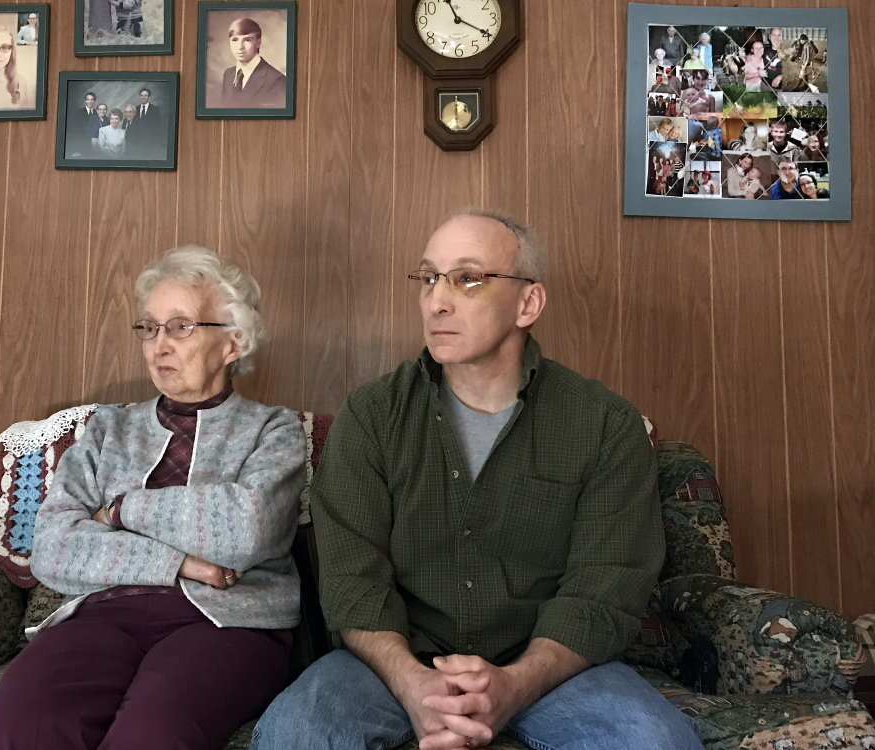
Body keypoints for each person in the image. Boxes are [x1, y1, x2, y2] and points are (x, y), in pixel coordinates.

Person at [251, 209, 703, 750]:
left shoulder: (605, 424)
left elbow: (605, 586)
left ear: (527, 303)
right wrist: (415, 684)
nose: (436, 300)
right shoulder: (372, 415)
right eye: (427, 278)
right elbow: (353, 581)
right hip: (395, 664)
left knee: (653, 740)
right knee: (294, 733)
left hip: (551, 667)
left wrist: (516, 682)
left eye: (468, 278)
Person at [0, 246, 306, 750]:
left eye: (180, 327)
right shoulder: (108, 429)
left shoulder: (274, 428)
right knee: (22, 724)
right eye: (149, 328)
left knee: (151, 736)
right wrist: (181, 564)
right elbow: (54, 549)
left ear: (234, 342)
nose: (158, 346)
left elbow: (247, 530)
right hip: (104, 613)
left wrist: (121, 510)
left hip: (229, 620)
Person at [219, 18, 287, 108]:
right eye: (235, 40)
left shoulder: (276, 80)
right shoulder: (228, 74)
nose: (240, 47)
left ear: (258, 43)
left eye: (247, 40)